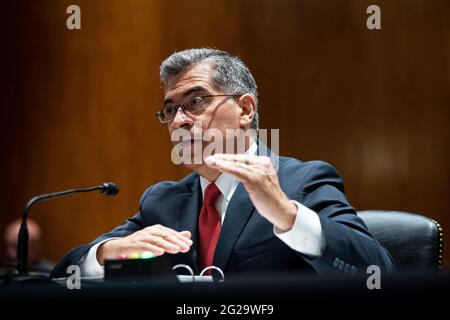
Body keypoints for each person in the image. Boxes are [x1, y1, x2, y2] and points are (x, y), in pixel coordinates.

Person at [51, 48, 395, 278]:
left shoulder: (301, 182)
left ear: (245, 110)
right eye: (170, 110)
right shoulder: (163, 201)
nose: (178, 121)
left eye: (195, 101)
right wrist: (105, 252)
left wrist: (288, 217)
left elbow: (378, 273)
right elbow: (63, 272)